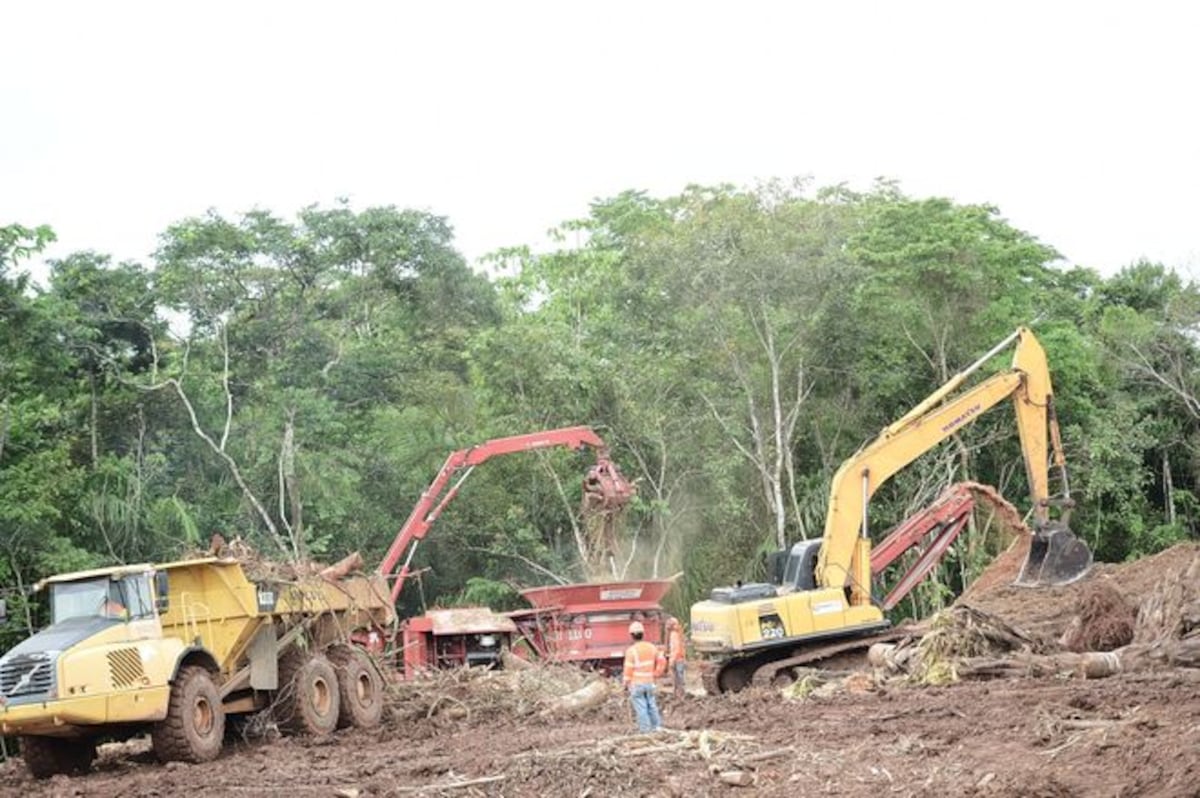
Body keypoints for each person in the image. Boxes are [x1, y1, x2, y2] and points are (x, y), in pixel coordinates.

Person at [622, 620, 666, 733]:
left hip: (637, 684)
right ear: (643, 633)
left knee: (641, 708)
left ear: (631, 635)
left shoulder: (631, 651)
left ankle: (646, 731)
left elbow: (628, 670)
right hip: (650, 682)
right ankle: (657, 727)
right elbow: (662, 661)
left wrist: (625, 684)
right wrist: (656, 673)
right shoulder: (651, 647)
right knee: (652, 705)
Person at [665, 617, 687, 699]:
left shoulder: (674, 634)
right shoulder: (678, 632)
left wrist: (672, 661)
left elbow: (675, 648)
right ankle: (679, 694)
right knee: (679, 677)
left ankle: (679, 694)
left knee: (678, 678)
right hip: (679, 658)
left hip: (678, 658)